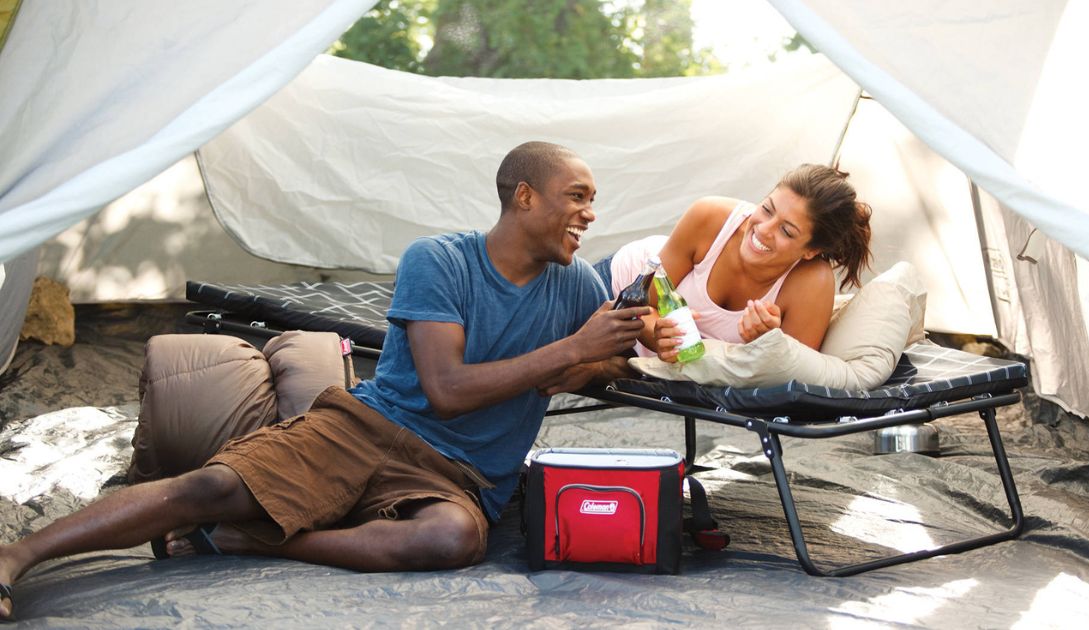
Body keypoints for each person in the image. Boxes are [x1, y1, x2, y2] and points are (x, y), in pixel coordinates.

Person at [0, 141, 650, 620]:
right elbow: (446, 390)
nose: (590, 215)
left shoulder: (578, 287)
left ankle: (254, 541)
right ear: (524, 194)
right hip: (369, 430)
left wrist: (615, 347)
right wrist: (569, 350)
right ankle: (17, 555)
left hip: (463, 477)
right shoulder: (440, 260)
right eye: (579, 197)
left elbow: (605, 364)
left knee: (451, 539)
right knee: (212, 484)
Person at [600, 164, 871, 360]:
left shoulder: (811, 283)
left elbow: (794, 377)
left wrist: (767, 343)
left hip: (669, 363)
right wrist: (658, 336)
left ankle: (612, 366)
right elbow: (643, 307)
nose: (764, 229)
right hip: (614, 290)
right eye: (766, 209)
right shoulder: (710, 217)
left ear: (810, 250)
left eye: (787, 231)